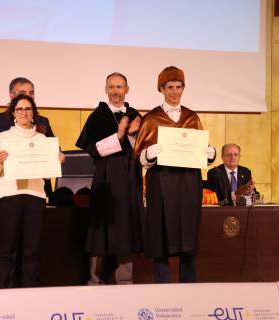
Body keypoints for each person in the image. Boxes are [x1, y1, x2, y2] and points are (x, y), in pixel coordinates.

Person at [134, 66, 216, 283]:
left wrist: (211, 154)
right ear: (161, 89)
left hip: (188, 184)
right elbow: (139, 158)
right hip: (161, 184)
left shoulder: (191, 117)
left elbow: (202, 150)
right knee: (161, 237)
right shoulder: (151, 119)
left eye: (179, 87)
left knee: (188, 235)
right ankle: (163, 291)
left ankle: (189, 289)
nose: (174, 91)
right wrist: (148, 154)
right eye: (170, 87)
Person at [0, 94, 64, 288]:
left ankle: (30, 294)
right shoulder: (4, 137)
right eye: (19, 109)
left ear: (33, 113)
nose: (24, 112)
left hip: (35, 197)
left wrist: (56, 162)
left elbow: (46, 176)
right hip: (9, 196)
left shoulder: (42, 139)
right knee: (7, 249)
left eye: (28, 109)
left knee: (32, 249)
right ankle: (3, 292)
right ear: (13, 113)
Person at [76, 72, 143, 285]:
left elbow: (145, 150)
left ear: (127, 89)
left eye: (119, 87)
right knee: (100, 229)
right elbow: (93, 150)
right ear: (106, 90)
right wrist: (119, 135)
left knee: (126, 227)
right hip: (106, 180)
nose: (115, 91)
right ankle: (95, 279)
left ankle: (125, 279)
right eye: (111, 87)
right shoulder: (97, 116)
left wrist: (133, 135)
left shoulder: (136, 115)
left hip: (130, 180)